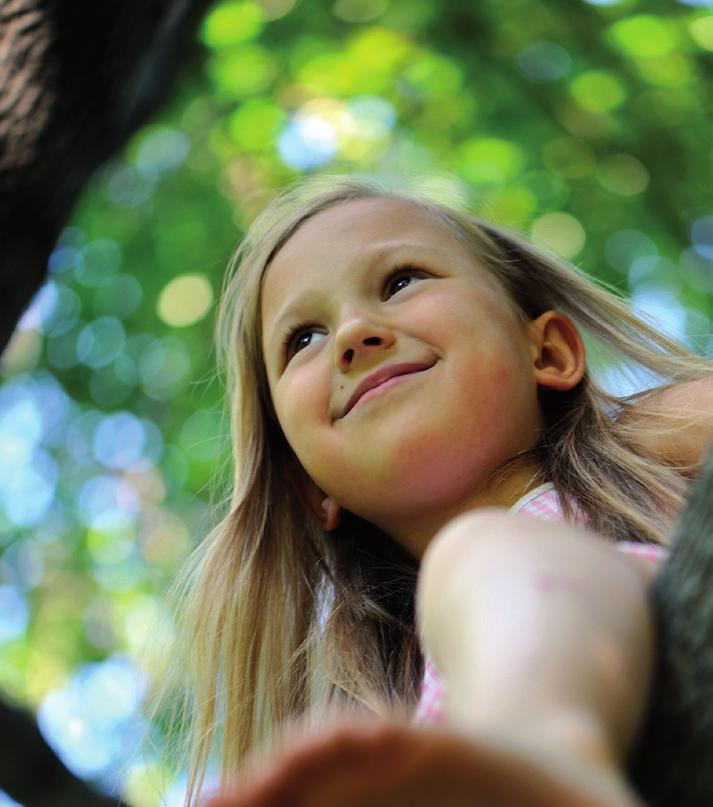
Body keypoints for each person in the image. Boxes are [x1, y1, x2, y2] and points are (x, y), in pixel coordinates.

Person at [159, 177, 713, 807]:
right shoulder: (387, 716)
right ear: (309, 487)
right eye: (303, 339)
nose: (352, 334)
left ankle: (546, 760)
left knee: (482, 549)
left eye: (400, 281)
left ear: (549, 351)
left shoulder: (658, 444)